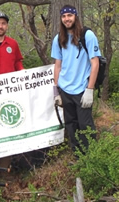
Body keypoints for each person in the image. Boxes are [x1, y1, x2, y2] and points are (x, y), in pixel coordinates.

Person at [51, 5, 101, 154]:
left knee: (85, 125)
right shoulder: (59, 38)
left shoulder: (87, 35)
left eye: (69, 16)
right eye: (64, 16)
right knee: (71, 126)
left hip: (82, 89)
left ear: (75, 17)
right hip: (65, 90)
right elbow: (58, 66)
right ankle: (78, 158)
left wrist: (90, 90)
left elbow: (95, 63)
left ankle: (92, 158)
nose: (67, 19)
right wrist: (56, 91)